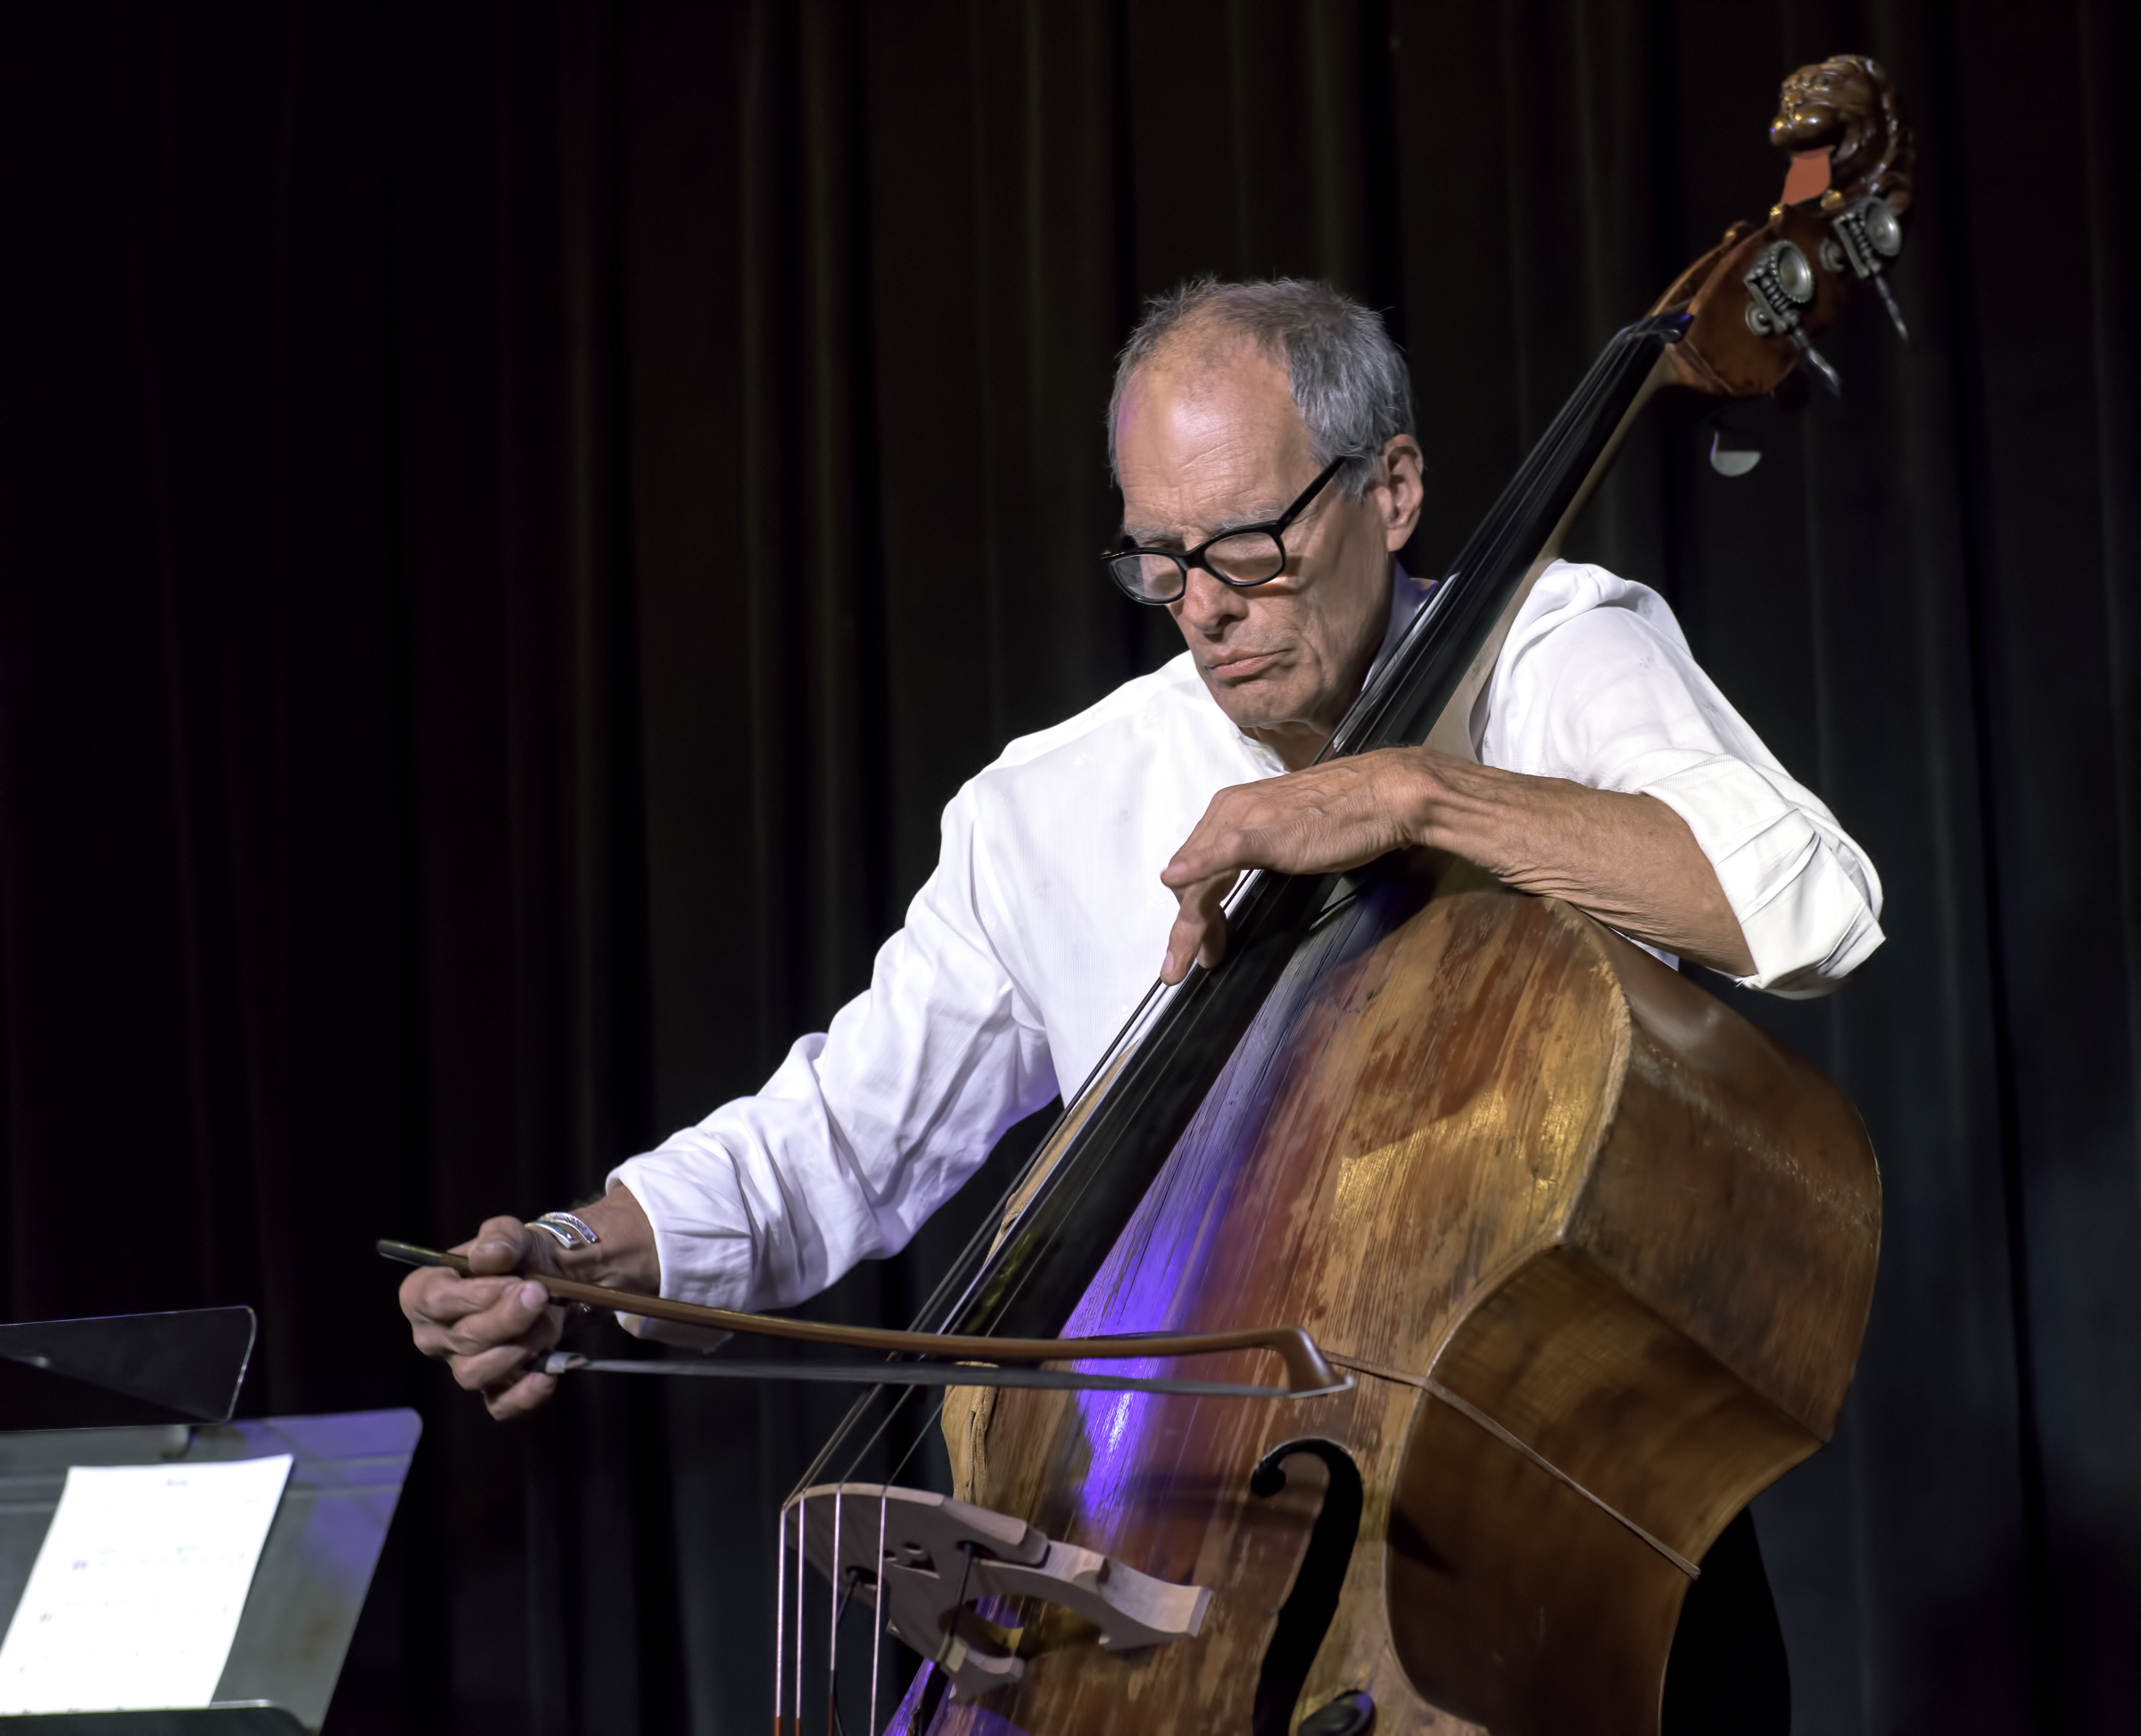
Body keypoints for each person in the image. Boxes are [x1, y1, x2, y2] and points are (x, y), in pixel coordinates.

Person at [401, 277, 1884, 1421]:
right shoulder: (1049, 808)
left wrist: (1422, 798)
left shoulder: (1553, 647)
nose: (1203, 604)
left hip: (1558, 1458)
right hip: (1216, 1518)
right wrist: (569, 1250)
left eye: (1247, 542)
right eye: (1157, 558)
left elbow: (1808, 906)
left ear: (1393, 488)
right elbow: (838, 1141)